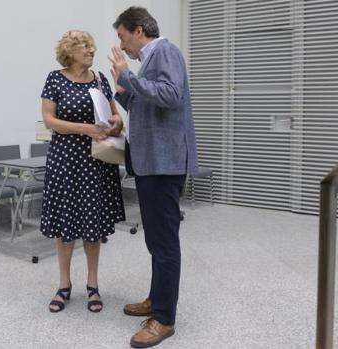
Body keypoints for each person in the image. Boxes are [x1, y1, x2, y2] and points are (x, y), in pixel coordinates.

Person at [108, 6, 198, 348]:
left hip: (164, 163)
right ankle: (155, 299)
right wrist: (122, 90)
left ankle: (163, 319)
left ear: (138, 30)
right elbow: (148, 104)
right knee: (156, 241)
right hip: (151, 163)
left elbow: (172, 96)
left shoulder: (166, 51)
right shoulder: (149, 60)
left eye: (122, 36)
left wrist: (128, 77)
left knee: (164, 242)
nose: (122, 44)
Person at [40, 30, 125, 313]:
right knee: (65, 227)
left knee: (92, 226)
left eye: (92, 46)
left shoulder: (100, 80)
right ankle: (64, 285)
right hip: (65, 161)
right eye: (85, 46)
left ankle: (93, 286)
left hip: (95, 163)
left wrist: (115, 124)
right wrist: (86, 128)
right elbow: (49, 120)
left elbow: (117, 120)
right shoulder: (55, 78)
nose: (91, 50)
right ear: (69, 51)